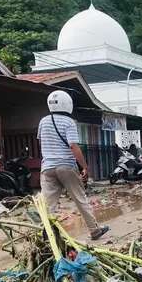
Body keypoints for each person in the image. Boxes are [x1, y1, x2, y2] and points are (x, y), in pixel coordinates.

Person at [38, 90, 109, 240]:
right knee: (79, 198)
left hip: (47, 168)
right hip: (66, 166)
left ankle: (45, 235)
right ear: (67, 104)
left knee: (48, 205)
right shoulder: (69, 122)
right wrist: (85, 166)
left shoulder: (43, 121)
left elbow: (42, 142)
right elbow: (73, 146)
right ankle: (94, 230)